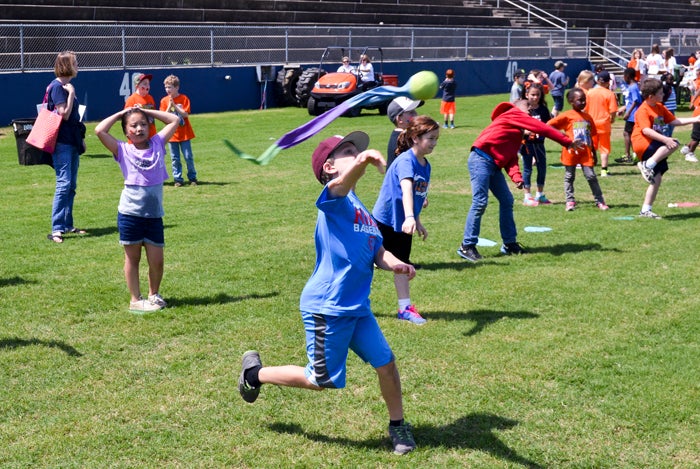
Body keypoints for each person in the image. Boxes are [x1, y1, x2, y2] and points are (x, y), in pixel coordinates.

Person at [237, 131, 418, 456]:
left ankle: (398, 426)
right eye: (348, 151)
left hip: (358, 307)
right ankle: (255, 373)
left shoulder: (361, 209)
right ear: (330, 167)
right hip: (329, 307)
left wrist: (397, 264)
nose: (356, 153)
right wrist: (362, 162)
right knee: (320, 380)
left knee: (386, 364)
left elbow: (378, 252)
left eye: (356, 151)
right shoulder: (334, 199)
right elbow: (341, 185)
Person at [456, 100, 582, 262]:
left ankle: (509, 244)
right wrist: (566, 141)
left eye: (531, 107)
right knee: (480, 201)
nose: (530, 109)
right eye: (527, 106)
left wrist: (516, 177)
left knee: (507, 200)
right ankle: (467, 246)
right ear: (517, 107)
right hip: (481, 159)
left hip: (493, 165)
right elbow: (542, 127)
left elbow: (510, 157)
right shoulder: (513, 114)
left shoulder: (515, 132)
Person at [94, 107, 180, 313]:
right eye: (133, 125)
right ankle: (135, 299)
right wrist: (119, 115)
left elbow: (174, 119)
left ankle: (154, 294)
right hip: (130, 215)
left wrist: (143, 109)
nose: (139, 128)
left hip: (154, 216)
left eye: (143, 124)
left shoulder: (158, 143)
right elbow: (99, 130)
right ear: (126, 132)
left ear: (150, 127)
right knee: (133, 258)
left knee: (157, 260)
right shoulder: (122, 149)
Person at [373, 116, 439, 325]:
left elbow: (418, 196)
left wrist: (416, 219)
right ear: (415, 138)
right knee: (366, 263)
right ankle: (349, 303)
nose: (434, 143)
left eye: (436, 138)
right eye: (430, 138)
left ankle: (404, 308)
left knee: (401, 263)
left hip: (404, 222)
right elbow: (406, 187)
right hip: (385, 219)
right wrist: (410, 217)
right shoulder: (405, 161)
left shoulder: (425, 165)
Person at [633, 78, 700, 219]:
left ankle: (646, 210)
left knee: (656, 178)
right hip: (644, 143)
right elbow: (646, 130)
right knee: (673, 143)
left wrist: (696, 119)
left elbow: (675, 121)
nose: (663, 95)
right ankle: (647, 164)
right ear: (651, 96)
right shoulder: (643, 110)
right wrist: (665, 139)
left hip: (656, 146)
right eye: (660, 93)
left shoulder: (660, 107)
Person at [45, 51, 87, 244]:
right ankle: (56, 228)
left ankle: (67, 224)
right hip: (61, 142)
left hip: (72, 141)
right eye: (75, 62)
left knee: (71, 185)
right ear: (67, 66)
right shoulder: (57, 87)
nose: (77, 65)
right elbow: (64, 115)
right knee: (63, 184)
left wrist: (81, 139)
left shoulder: (66, 86)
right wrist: (70, 94)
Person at [548, 88, 609, 212]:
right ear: (571, 101)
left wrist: (594, 152)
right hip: (570, 153)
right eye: (579, 100)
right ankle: (570, 201)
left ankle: (600, 201)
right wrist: (563, 138)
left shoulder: (587, 117)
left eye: (584, 100)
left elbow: (592, 135)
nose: (583, 102)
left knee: (591, 176)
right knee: (569, 176)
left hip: (585, 153)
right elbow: (549, 125)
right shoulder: (567, 115)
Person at [159, 74, 198, 187]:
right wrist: (169, 106)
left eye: (170, 87)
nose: (167, 90)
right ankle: (178, 179)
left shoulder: (184, 98)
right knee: (175, 158)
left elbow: (185, 114)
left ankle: (192, 178)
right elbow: (163, 116)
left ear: (177, 88)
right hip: (172, 135)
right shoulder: (164, 100)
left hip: (184, 133)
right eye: (166, 87)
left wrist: (175, 106)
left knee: (188, 156)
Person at [520, 82, 552, 206]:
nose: (535, 97)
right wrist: (526, 132)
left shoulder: (543, 109)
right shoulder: (523, 108)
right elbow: (517, 126)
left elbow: (548, 125)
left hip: (539, 144)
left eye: (537, 95)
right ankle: (527, 196)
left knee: (542, 168)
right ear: (527, 94)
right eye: (532, 95)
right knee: (527, 168)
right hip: (526, 144)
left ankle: (540, 194)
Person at [586, 70, 617, 177]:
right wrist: (612, 119)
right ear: (608, 82)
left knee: (591, 146)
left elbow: (585, 109)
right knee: (604, 147)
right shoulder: (610, 94)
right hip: (604, 123)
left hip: (591, 123)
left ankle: (589, 167)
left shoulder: (590, 92)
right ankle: (604, 170)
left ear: (597, 81)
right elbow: (613, 111)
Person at [386, 96, 423, 168]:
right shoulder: (402, 141)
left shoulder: (404, 135)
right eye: (411, 112)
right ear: (399, 119)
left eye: (415, 111)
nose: (416, 115)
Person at [615, 67, 642, 165]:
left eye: (624, 76)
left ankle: (629, 155)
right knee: (629, 134)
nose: (623, 78)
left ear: (627, 76)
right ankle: (633, 155)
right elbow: (631, 102)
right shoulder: (634, 86)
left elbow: (635, 101)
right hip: (632, 113)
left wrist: (628, 112)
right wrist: (624, 109)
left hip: (633, 115)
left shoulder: (633, 87)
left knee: (627, 133)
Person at [125, 72, 157, 138]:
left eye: (148, 84)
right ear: (137, 86)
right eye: (144, 84)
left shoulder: (150, 98)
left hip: (152, 135)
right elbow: (126, 118)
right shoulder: (131, 99)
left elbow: (153, 115)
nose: (147, 86)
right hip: (138, 137)